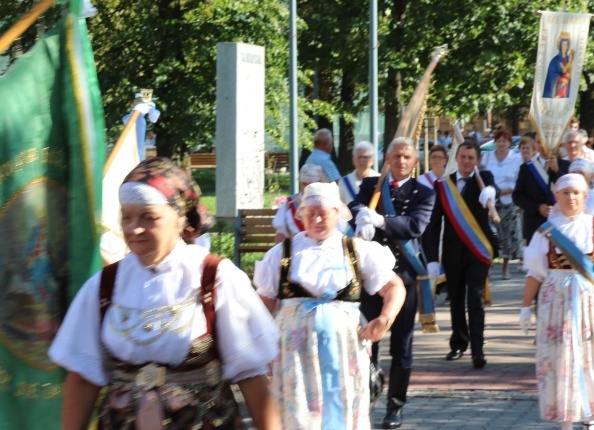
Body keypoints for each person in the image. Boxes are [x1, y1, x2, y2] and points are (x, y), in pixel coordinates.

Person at [49, 157, 281, 430]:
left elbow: (252, 378)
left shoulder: (214, 278)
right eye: (127, 217)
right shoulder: (105, 285)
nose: (134, 228)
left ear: (180, 218)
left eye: (149, 217)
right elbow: (83, 378)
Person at [254, 182, 406, 430]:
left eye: (323, 213)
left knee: (343, 408)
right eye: (310, 213)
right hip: (293, 354)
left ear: (338, 213)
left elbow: (394, 287)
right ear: (301, 215)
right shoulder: (282, 253)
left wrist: (385, 319)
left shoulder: (356, 250)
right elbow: (264, 303)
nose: (316, 219)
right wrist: (260, 348)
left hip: (343, 348)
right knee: (297, 413)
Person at [349, 136, 436, 429]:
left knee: (402, 342)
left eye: (406, 157)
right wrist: (360, 214)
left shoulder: (424, 192)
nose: (400, 161)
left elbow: (415, 225)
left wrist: (382, 222)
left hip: (404, 276)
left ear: (414, 161)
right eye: (396, 156)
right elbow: (353, 205)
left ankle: (395, 407)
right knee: (366, 338)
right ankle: (369, 390)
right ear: (387, 159)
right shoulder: (371, 186)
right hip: (372, 278)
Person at [519, 174, 594, 430]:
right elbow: (535, 272)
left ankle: (590, 416)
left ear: (584, 196)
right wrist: (525, 307)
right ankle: (566, 420)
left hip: (588, 302)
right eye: (565, 193)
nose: (571, 197)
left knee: (588, 355)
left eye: (576, 193)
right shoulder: (546, 232)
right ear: (557, 197)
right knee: (560, 357)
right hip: (556, 302)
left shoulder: (593, 227)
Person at [423, 140, 499, 369]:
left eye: (471, 158)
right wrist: (432, 259)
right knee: (455, 300)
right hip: (453, 252)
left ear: (478, 160)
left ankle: (478, 350)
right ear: (456, 158)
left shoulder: (484, 180)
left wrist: (489, 193)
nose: (467, 161)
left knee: (475, 300)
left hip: (478, 250)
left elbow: (491, 191)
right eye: (463, 157)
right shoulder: (443, 185)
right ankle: (458, 343)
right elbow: (433, 224)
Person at [479, 130, 523, 279]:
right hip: (492, 202)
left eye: (505, 141)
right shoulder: (487, 157)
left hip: (509, 202)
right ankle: (488, 266)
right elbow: (481, 177)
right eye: (499, 140)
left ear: (509, 143)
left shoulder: (516, 158)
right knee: (491, 235)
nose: (502, 143)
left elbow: (520, 179)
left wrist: (509, 191)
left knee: (507, 237)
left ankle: (505, 268)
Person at [513, 134, 571, 243]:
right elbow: (517, 196)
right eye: (539, 142)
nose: (543, 146)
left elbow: (570, 191)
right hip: (534, 225)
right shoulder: (527, 168)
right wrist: (537, 207)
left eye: (546, 142)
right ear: (535, 144)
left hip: (560, 223)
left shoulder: (566, 166)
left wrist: (557, 171)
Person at [272, 163, 327, 242]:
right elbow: (280, 234)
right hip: (295, 248)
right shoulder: (289, 203)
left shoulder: (327, 203)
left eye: (311, 184)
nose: (307, 188)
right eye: (304, 184)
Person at [543, 32, 573, 99]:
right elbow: (551, 75)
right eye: (563, 44)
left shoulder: (569, 60)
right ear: (560, 46)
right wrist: (561, 79)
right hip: (557, 88)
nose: (565, 47)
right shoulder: (555, 60)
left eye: (566, 44)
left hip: (567, 89)